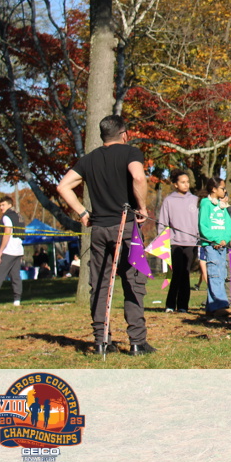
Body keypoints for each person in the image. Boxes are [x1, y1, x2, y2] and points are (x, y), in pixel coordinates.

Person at [56, 114, 153, 356]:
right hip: (126, 227)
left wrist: (82, 213)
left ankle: (101, 341)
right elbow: (138, 176)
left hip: (99, 229)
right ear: (124, 134)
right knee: (133, 282)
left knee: (100, 284)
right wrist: (142, 207)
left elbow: (62, 186)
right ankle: (137, 342)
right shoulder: (131, 153)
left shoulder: (88, 159)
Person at [159, 170, 200, 313]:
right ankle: (170, 304)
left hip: (191, 243)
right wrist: (163, 241)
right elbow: (163, 223)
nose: (186, 184)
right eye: (183, 182)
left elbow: (200, 221)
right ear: (175, 184)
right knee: (176, 273)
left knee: (185, 273)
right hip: (174, 242)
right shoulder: (169, 201)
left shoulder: (195, 200)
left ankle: (183, 306)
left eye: (187, 182)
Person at [198, 177, 231, 318]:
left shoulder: (222, 206)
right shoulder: (205, 203)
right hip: (211, 246)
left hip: (222, 246)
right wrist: (215, 240)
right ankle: (221, 305)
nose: (225, 191)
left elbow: (228, 225)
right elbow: (203, 226)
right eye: (222, 188)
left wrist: (225, 239)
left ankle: (211, 307)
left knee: (221, 274)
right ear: (214, 189)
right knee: (214, 274)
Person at [0, 196, 25, 307]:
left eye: (3, 205)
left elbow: (7, 233)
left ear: (10, 205)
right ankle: (17, 300)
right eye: (0, 205)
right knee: (15, 276)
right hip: (18, 250)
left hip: (9, 250)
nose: (1, 207)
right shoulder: (19, 216)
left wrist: (0, 251)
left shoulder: (6, 217)